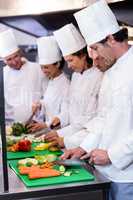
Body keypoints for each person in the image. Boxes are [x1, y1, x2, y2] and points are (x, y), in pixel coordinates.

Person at [61, 0, 133, 200]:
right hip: (107, 171)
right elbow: (104, 118)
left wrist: (112, 154)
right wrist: (84, 147)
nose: (93, 56)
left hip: (128, 175)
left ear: (110, 39)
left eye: (94, 48)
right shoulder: (110, 73)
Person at [44, 23, 103, 149]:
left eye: (71, 60)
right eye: (66, 61)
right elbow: (70, 105)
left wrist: (62, 135)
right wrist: (60, 123)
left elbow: (89, 118)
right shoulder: (76, 76)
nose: (69, 66)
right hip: (71, 137)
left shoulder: (99, 75)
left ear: (83, 55)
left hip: (88, 142)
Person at [0, 29, 48, 124]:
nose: (14, 62)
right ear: (4, 60)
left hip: (36, 124)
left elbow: (48, 95)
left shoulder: (37, 69)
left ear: (20, 52)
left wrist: (40, 110)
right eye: (9, 59)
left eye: (16, 56)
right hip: (11, 126)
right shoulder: (3, 74)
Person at [27, 36, 70, 133]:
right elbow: (50, 102)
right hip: (49, 131)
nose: (43, 71)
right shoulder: (51, 81)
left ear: (57, 64)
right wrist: (40, 104)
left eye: (46, 67)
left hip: (60, 132)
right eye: (41, 67)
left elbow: (65, 114)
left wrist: (46, 124)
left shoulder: (65, 84)